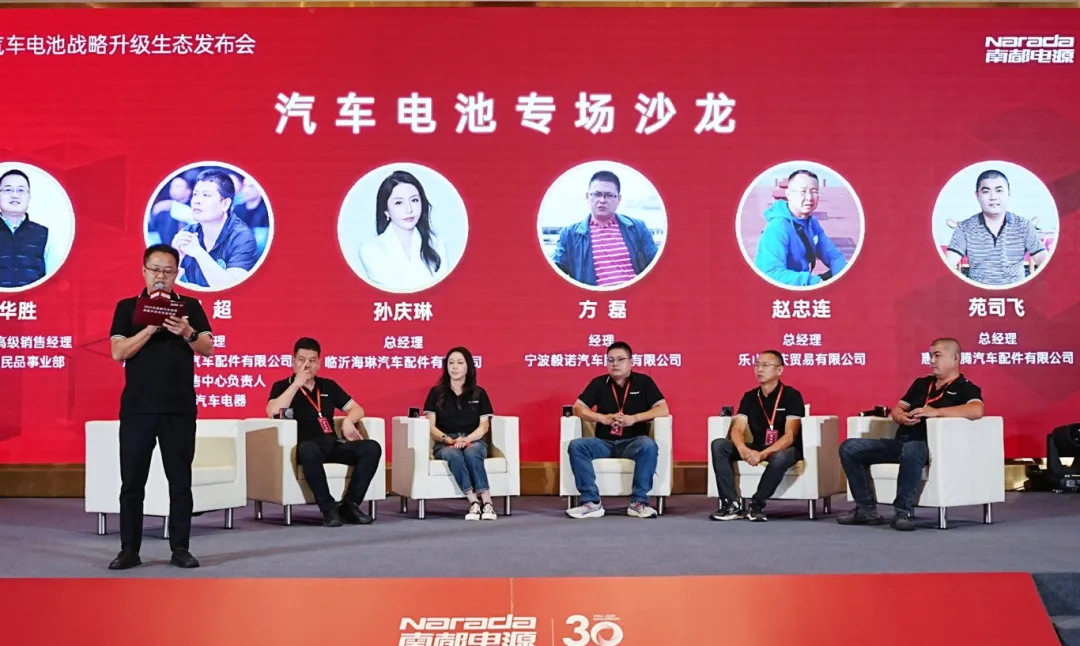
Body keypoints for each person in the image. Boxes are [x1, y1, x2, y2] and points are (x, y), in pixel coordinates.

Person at [107, 243, 214, 570]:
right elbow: (118, 352)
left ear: (176, 274)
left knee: (180, 482)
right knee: (132, 483)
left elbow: (207, 347)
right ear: (144, 271)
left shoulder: (190, 306)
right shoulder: (127, 307)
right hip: (138, 409)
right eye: (155, 270)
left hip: (179, 408)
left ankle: (180, 549)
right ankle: (129, 550)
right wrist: (150, 327)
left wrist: (187, 331)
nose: (161, 277)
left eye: (168, 271)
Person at [838, 338, 984, 531]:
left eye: (937, 356)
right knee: (850, 448)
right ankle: (866, 510)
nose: (932, 361)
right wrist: (900, 416)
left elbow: (977, 410)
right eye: (930, 356)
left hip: (927, 446)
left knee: (913, 449)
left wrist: (936, 412)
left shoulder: (965, 387)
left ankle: (902, 512)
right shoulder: (922, 384)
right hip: (901, 442)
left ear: (955, 358)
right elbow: (898, 408)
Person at [267, 337, 382, 527]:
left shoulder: (328, 386)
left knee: (371, 448)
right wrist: (296, 384)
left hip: (332, 443)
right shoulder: (282, 386)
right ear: (293, 361)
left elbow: (357, 409)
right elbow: (272, 411)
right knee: (308, 450)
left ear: (319, 363)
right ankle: (329, 509)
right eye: (302, 360)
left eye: (312, 361)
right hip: (306, 446)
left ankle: (350, 505)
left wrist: (348, 421)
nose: (307, 365)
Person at [566, 341, 668, 519]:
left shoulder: (644, 382)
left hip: (633, 442)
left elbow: (663, 409)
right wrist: (602, 418)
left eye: (620, 359)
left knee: (648, 445)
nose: (615, 364)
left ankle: (639, 503)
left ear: (631, 362)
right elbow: (577, 408)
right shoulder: (599, 383)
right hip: (604, 442)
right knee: (577, 446)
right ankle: (591, 502)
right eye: (610, 360)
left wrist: (634, 418)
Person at [710, 350, 806, 522]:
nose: (760, 369)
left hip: (785, 448)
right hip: (758, 445)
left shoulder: (792, 396)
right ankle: (731, 504)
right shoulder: (750, 397)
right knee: (719, 445)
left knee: (781, 456)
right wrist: (743, 449)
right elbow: (737, 429)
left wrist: (762, 455)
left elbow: (790, 436)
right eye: (757, 365)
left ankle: (756, 505)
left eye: (765, 365)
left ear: (779, 370)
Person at [423, 346, 498, 521]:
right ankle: (473, 502)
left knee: (472, 452)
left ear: (468, 367)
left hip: (473, 440)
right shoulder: (436, 393)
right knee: (453, 454)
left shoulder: (479, 393)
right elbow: (430, 426)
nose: (454, 367)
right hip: (445, 442)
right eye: (451, 363)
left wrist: (467, 439)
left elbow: (484, 426)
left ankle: (487, 502)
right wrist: (448, 439)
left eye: (459, 363)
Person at [551, 170, 659, 288]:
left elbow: (657, 265)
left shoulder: (637, 228)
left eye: (609, 195)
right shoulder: (569, 235)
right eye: (597, 194)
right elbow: (553, 271)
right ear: (587, 197)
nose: (602, 200)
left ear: (619, 199)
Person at [943, 169, 1048, 286]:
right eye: (986, 191)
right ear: (977, 195)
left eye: (999, 190)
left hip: (1018, 292)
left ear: (1008, 194)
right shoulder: (964, 228)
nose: (993, 197)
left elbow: (1046, 263)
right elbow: (945, 266)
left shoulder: (1024, 226)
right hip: (977, 293)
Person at [358, 170, 451, 292]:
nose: (409, 209)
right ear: (386, 211)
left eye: (414, 200)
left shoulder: (436, 242)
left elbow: (444, 290)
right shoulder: (370, 250)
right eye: (398, 203)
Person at [753, 170, 847, 287]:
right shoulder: (777, 228)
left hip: (800, 282)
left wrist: (842, 276)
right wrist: (815, 282)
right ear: (789, 194)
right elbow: (772, 273)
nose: (809, 197)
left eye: (814, 191)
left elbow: (833, 256)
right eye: (803, 191)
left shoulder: (811, 223)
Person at [171, 168, 259, 290]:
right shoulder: (187, 233)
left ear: (225, 204)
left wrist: (198, 252)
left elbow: (232, 289)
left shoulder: (242, 237)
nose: (197, 201)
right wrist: (175, 259)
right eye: (195, 194)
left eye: (206, 195)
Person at [0, 168, 51, 289]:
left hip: (34, 299)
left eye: (21, 190)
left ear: (29, 197)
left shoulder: (44, 234)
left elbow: (54, 279)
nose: (14, 195)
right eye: (8, 190)